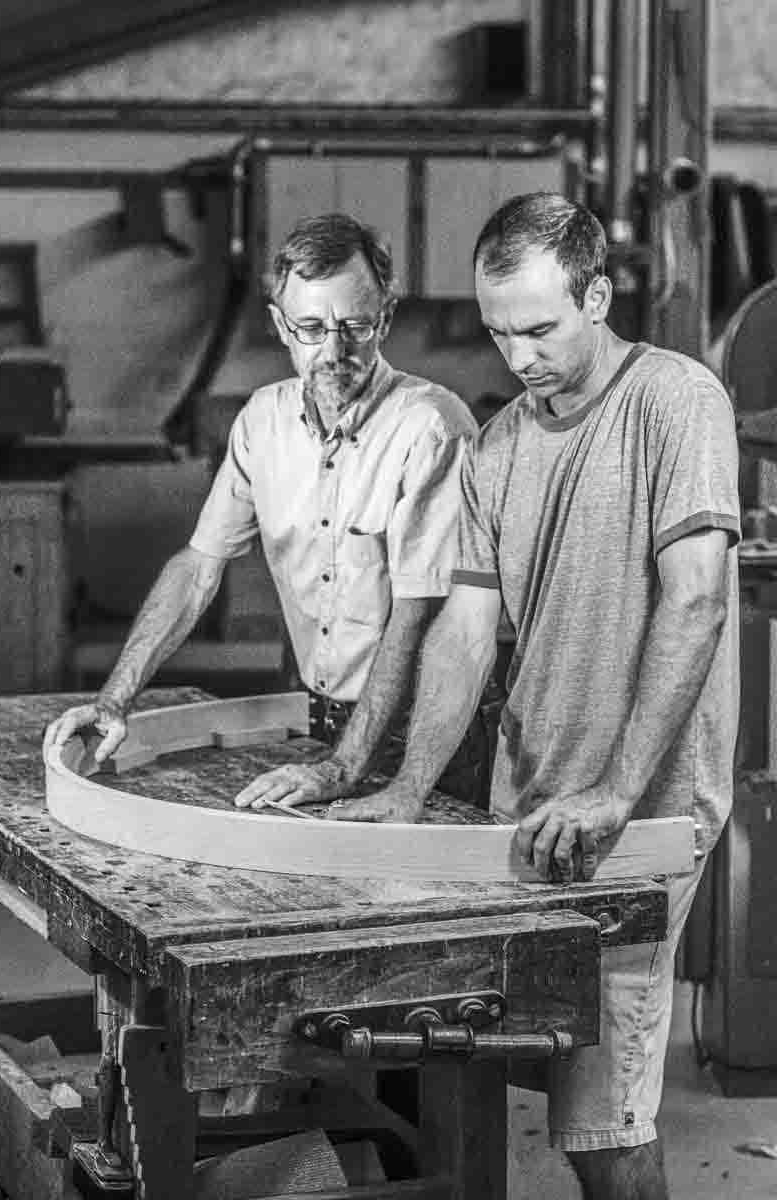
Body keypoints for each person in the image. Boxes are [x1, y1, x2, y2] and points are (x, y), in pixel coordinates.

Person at [321, 193, 740, 1200]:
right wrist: (410, 790)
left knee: (602, 1118)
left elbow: (695, 602)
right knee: (473, 1068)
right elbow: (466, 634)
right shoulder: (498, 445)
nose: (519, 356)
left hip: (639, 813)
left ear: (596, 296)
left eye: (541, 329)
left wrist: (616, 793)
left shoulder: (674, 401)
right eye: (500, 333)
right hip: (528, 803)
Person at [44, 212, 479, 796]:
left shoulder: (431, 428)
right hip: (315, 713)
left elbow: (416, 613)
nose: (334, 349)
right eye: (311, 327)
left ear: (385, 318)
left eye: (355, 326)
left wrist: (341, 770)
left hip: (422, 732)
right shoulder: (261, 421)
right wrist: (114, 699)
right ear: (280, 325)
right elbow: (199, 568)